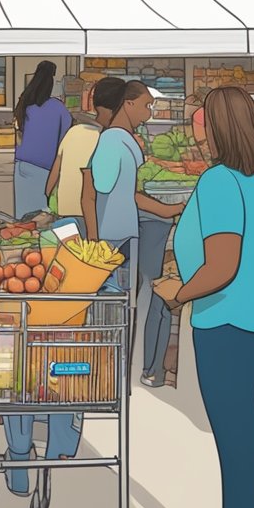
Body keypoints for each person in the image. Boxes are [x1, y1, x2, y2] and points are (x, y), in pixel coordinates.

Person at [155, 86, 254, 508]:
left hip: (229, 322)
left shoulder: (219, 181)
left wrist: (179, 292)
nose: (200, 130)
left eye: (204, 121)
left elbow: (223, 264)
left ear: (218, 129)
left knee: (236, 437)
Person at [87, 80, 184, 385]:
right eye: (145, 105)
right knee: (118, 305)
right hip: (117, 235)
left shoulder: (118, 140)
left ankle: (118, 372)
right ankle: (119, 373)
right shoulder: (115, 142)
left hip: (119, 233)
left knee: (121, 304)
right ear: (127, 104)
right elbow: (106, 189)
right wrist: (167, 209)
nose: (149, 112)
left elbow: (116, 190)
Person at [46, 77, 121, 231]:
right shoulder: (109, 140)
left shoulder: (73, 132)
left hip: (65, 215)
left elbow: (54, 175)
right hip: (94, 219)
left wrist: (49, 202)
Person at [12, 61, 71, 217]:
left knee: (22, 220)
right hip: (44, 170)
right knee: (41, 220)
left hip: (21, 167)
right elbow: (64, 142)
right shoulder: (59, 108)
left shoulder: (25, 104)